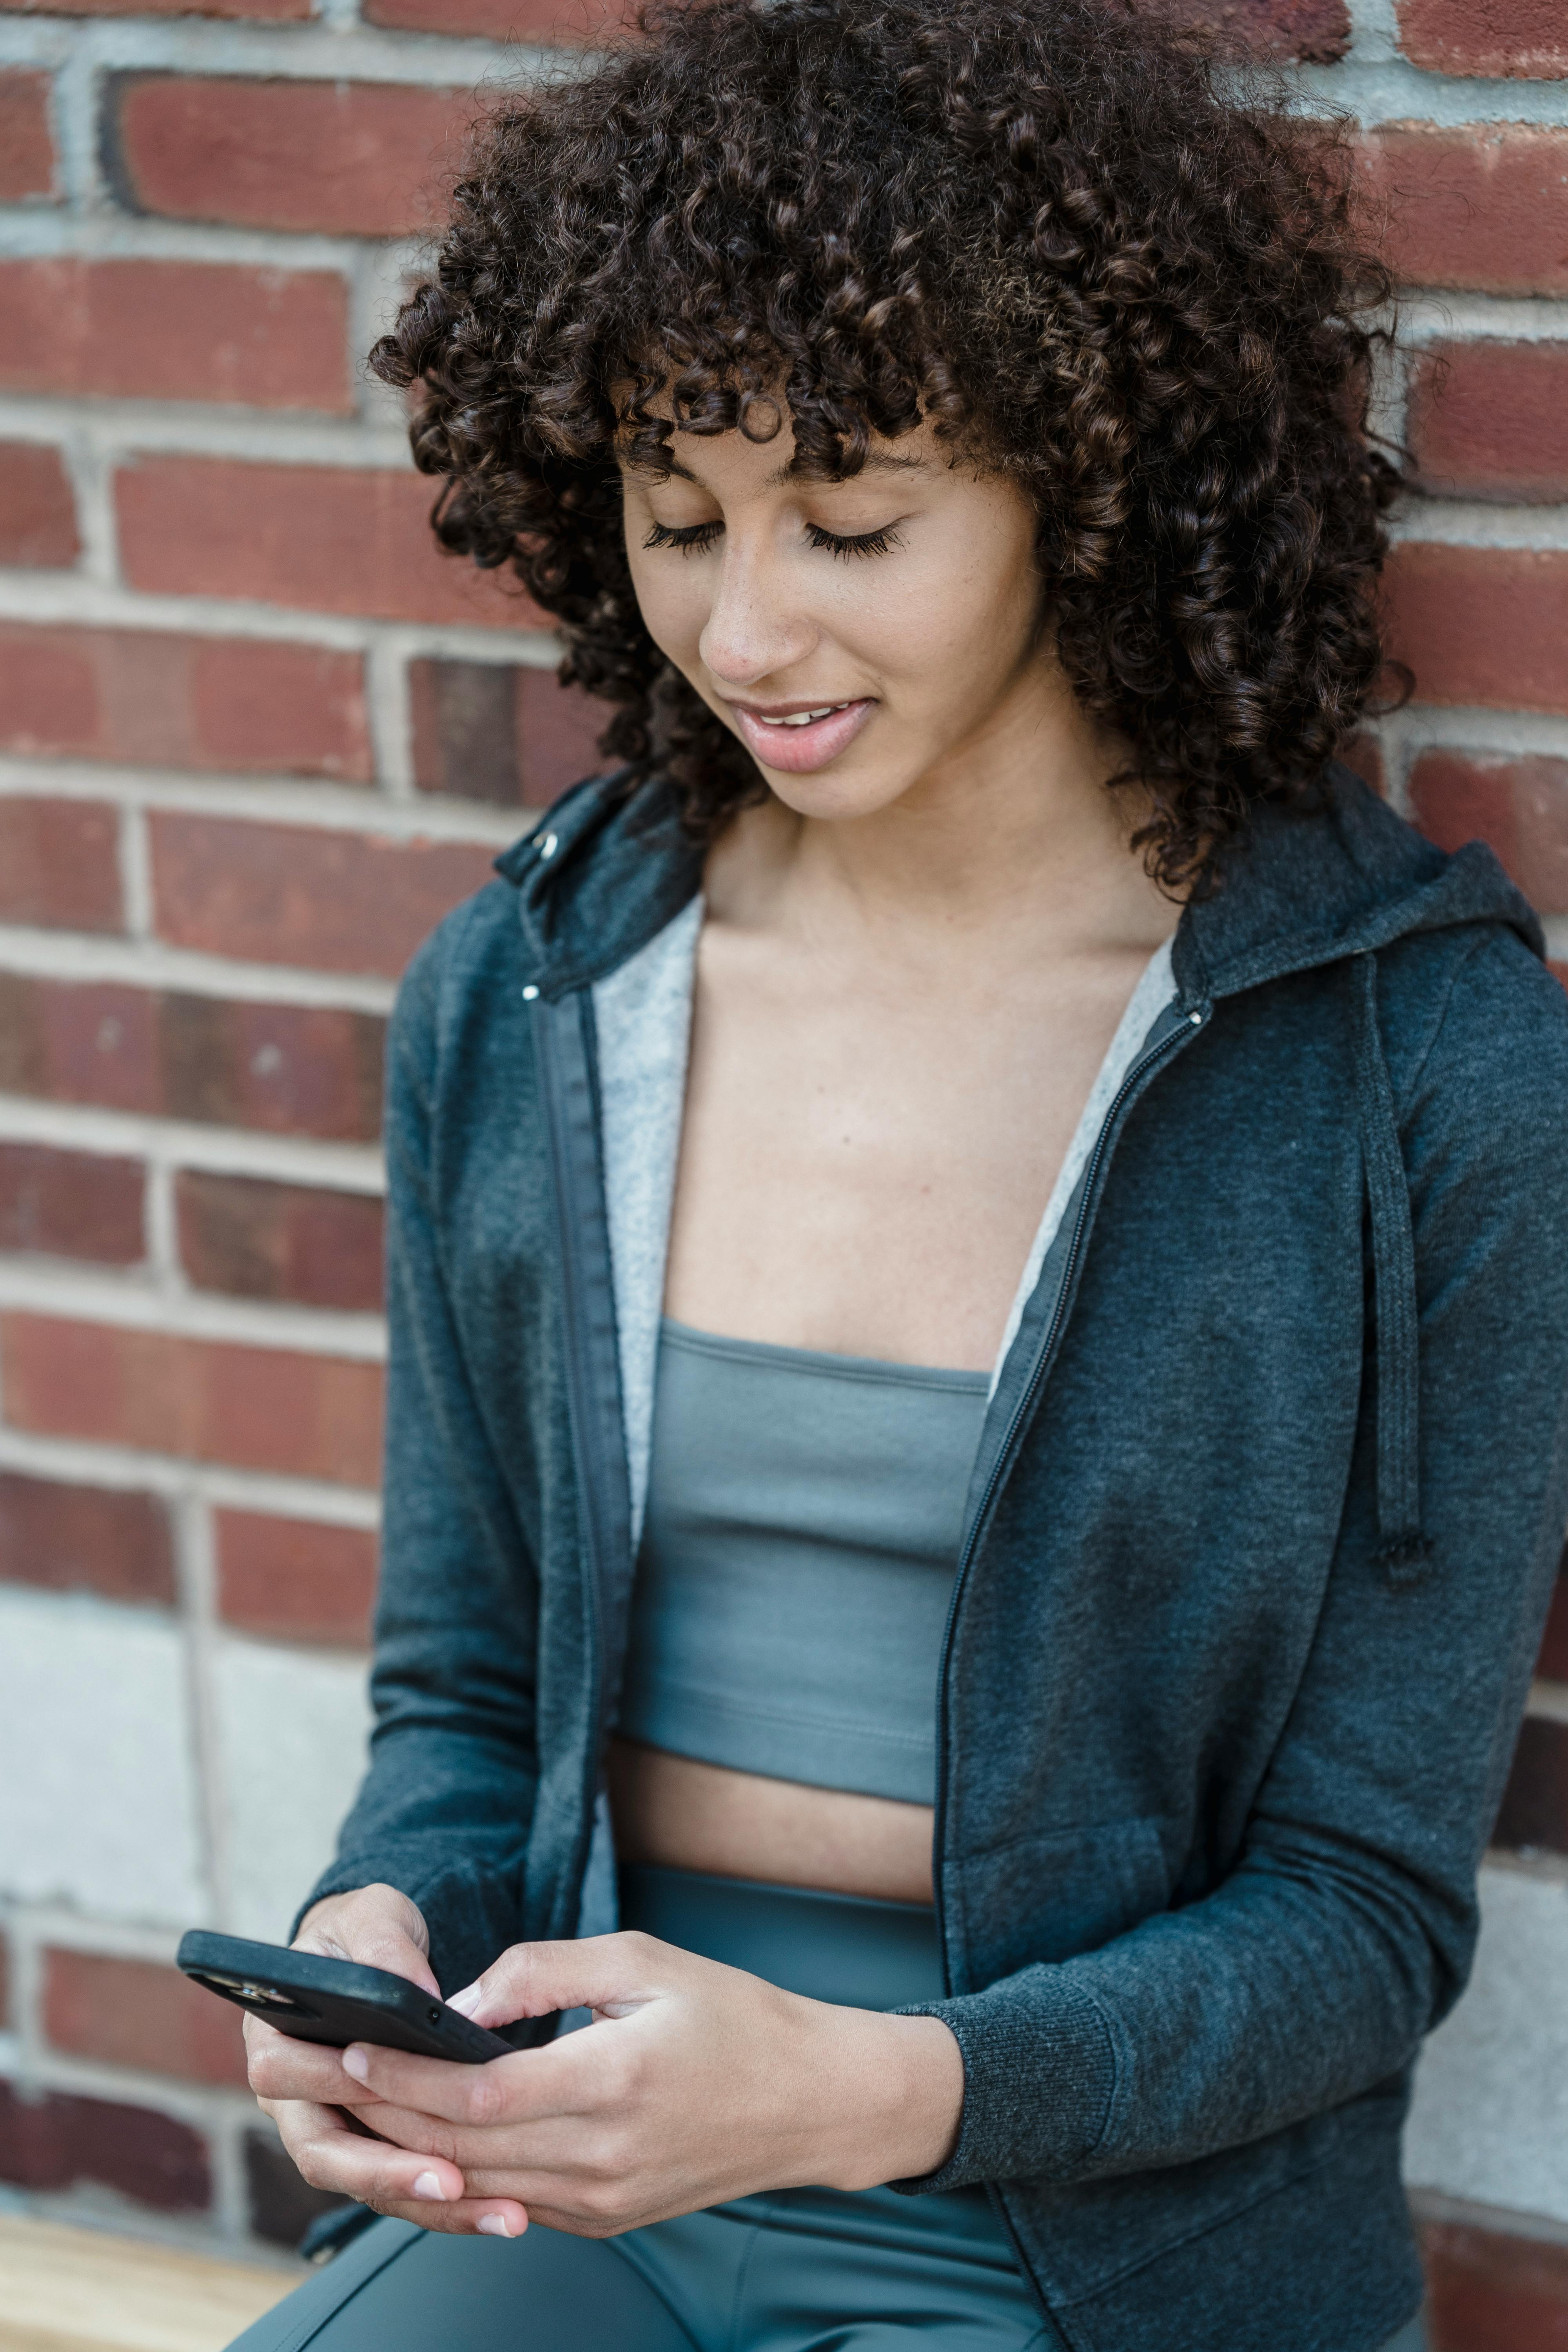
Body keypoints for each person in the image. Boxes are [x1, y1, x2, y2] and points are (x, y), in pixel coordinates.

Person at [230, 2, 1568, 2347]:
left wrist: (851, 2091)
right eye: (678, 522)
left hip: (1098, 2221)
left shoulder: (1415, 1065)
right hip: (581, 2163)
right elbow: (459, 1692)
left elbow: (1364, 1916)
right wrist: (380, 1940)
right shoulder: (540, 995)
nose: (748, 630)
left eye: (852, 524)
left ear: (1086, 477)